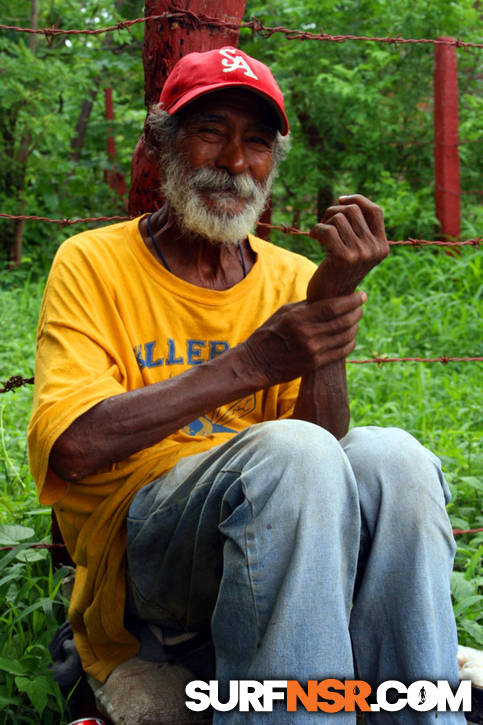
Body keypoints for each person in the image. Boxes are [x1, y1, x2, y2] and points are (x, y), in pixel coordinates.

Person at [28, 47, 463, 723]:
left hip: (279, 524)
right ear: (160, 142)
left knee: (394, 460)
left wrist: (325, 315)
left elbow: (325, 460)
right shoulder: (92, 263)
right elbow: (76, 446)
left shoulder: (289, 276)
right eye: (211, 133)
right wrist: (251, 363)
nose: (234, 163)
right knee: (289, 453)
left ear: (272, 162)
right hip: (144, 552)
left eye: (256, 143)